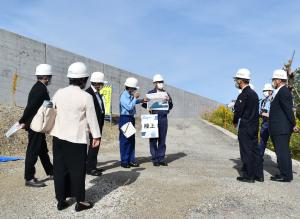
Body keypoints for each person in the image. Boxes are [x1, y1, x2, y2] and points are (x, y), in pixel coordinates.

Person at [50, 62, 101, 211]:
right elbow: (92, 118)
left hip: (58, 137)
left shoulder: (59, 92)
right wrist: (96, 137)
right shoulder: (86, 96)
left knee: (60, 169)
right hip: (76, 139)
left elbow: (49, 109)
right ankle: (80, 202)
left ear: (70, 78)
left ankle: (61, 200)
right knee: (77, 170)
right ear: (84, 79)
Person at [19, 64, 53, 188]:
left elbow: (41, 105)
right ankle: (29, 178)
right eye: (49, 77)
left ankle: (51, 171)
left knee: (42, 150)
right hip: (35, 125)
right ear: (46, 77)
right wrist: (22, 121)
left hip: (37, 124)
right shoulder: (40, 89)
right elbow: (31, 107)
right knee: (33, 151)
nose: (50, 79)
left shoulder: (39, 87)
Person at [233, 68, 263, 183]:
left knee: (246, 151)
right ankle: (258, 175)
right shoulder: (255, 94)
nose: (236, 82)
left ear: (241, 81)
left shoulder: (244, 94)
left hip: (245, 126)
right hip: (254, 126)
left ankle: (248, 176)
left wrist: (235, 121)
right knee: (255, 151)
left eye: (237, 79)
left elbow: (238, 111)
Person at [269, 69, 298, 182]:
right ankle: (283, 173)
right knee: (280, 152)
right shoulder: (280, 91)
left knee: (283, 152)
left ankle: (286, 176)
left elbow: (288, 110)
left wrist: (294, 124)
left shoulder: (284, 91)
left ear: (279, 80)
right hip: (278, 128)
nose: (273, 81)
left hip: (282, 128)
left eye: (274, 79)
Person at [142, 74, 173, 166]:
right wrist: (147, 103)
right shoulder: (150, 93)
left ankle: (161, 158)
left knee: (162, 139)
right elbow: (144, 105)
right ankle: (155, 159)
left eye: (162, 82)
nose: (161, 83)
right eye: (159, 82)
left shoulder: (166, 94)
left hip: (163, 118)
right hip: (153, 118)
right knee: (153, 139)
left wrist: (169, 101)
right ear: (155, 83)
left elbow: (171, 106)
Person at [119, 77, 147, 168]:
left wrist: (142, 100)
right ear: (130, 87)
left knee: (131, 140)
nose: (135, 90)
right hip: (125, 118)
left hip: (130, 118)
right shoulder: (124, 95)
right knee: (125, 141)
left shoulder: (130, 95)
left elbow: (133, 102)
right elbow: (129, 106)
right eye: (134, 88)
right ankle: (124, 161)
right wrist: (135, 98)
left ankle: (131, 160)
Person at [85, 72, 106, 176]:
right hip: (93, 124)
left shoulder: (97, 93)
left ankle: (93, 166)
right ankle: (90, 168)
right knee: (93, 145)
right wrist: (88, 125)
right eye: (101, 84)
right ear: (97, 83)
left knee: (96, 146)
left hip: (98, 123)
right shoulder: (88, 93)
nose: (102, 86)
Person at [258, 83, 273, 158]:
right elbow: (261, 112)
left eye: (266, 90)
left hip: (273, 123)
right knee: (262, 141)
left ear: (271, 91)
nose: (265, 92)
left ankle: (280, 162)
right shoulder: (263, 101)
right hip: (265, 123)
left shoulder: (274, 100)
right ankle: (259, 158)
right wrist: (261, 114)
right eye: (264, 90)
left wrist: (264, 114)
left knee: (276, 143)